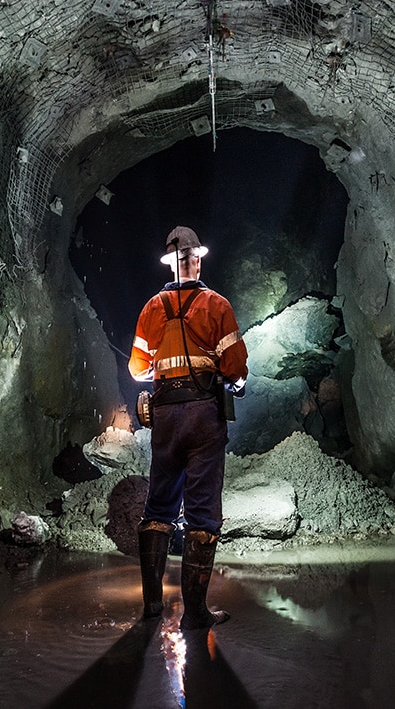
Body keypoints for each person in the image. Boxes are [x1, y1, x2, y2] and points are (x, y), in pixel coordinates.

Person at [128, 225, 248, 630]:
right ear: (197, 259)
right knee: (201, 511)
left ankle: (151, 605)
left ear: (169, 262)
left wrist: (165, 369)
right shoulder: (216, 305)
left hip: (165, 417)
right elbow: (234, 368)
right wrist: (236, 381)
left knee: (158, 506)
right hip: (203, 418)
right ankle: (195, 612)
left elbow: (137, 368)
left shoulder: (151, 308)